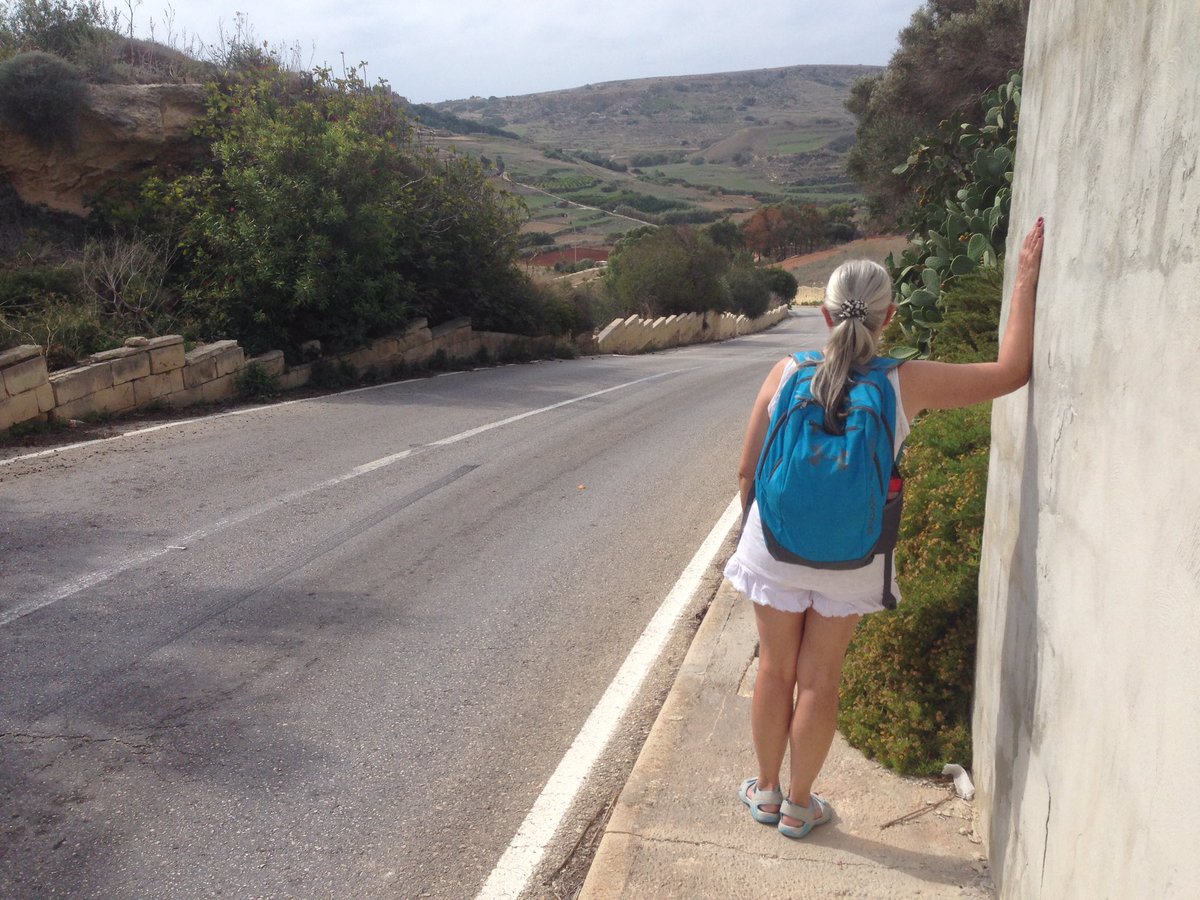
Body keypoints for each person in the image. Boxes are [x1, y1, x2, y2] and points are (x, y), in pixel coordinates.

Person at [725, 218, 1045, 839]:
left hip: (775, 542)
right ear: (888, 316)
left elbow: (746, 471)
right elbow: (1010, 372)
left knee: (774, 670)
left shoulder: (787, 371)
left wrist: (756, 536)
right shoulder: (905, 382)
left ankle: (763, 792)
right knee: (820, 679)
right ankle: (799, 804)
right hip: (855, 552)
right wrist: (1025, 281)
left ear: (825, 316)